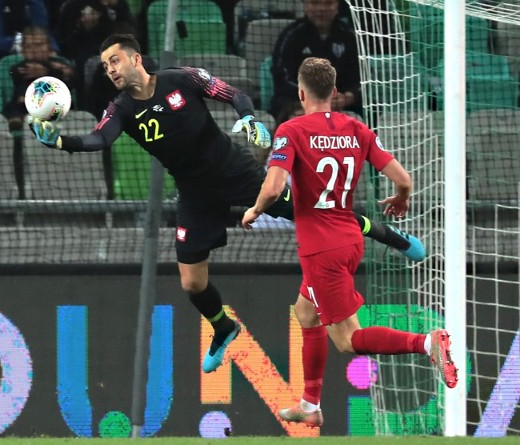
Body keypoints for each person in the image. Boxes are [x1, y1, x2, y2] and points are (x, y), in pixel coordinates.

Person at [28, 34, 425, 374]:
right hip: (195, 193)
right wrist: (60, 141)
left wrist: (249, 118)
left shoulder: (181, 79)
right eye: (105, 65)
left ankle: (393, 237)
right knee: (192, 283)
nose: (110, 69)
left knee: (319, 211)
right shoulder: (120, 109)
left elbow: (233, 94)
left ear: (134, 58)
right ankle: (223, 328)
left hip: (235, 172)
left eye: (115, 60)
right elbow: (98, 140)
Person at [242, 57, 457, 426]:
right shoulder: (356, 129)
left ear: (300, 92)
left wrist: (254, 210)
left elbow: (275, 186)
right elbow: (403, 179)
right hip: (349, 236)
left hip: (321, 249)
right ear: (335, 93)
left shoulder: (291, 130)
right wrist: (402, 199)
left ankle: (427, 343)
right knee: (305, 311)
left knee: (348, 339)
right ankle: (310, 406)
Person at [269, 0, 361, 121]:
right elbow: (282, 77)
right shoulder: (291, 36)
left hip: (340, 105)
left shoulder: (350, 37)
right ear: (306, 6)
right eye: (315, 3)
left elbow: (363, 79)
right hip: (297, 102)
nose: (321, 9)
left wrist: (348, 97)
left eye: (328, 3)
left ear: (337, 6)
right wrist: (314, 98)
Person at [2, 26, 74, 129]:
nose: (34, 50)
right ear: (23, 50)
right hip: (24, 111)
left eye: (38, 45)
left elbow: (72, 79)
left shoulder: (60, 65)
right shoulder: (18, 68)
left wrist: (47, 72)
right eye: (28, 46)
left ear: (49, 48)